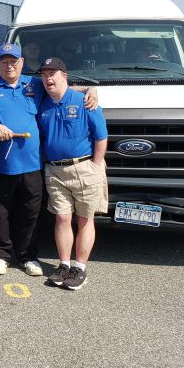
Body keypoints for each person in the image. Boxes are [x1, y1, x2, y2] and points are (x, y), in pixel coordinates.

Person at [0, 43, 96, 277]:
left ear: (22, 63)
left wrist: (90, 90)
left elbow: (62, 88)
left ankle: (27, 256)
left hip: (32, 164)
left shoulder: (34, 84)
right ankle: (0, 255)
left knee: (31, 214)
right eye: (4, 62)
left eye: (13, 61)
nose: (9, 66)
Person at [36, 57, 108, 291]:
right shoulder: (43, 104)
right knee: (62, 218)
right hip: (55, 170)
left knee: (85, 219)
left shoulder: (84, 101)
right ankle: (64, 264)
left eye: (53, 73)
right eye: (44, 74)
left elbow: (101, 137)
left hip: (84, 167)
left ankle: (80, 268)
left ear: (64, 76)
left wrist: (95, 166)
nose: (48, 78)